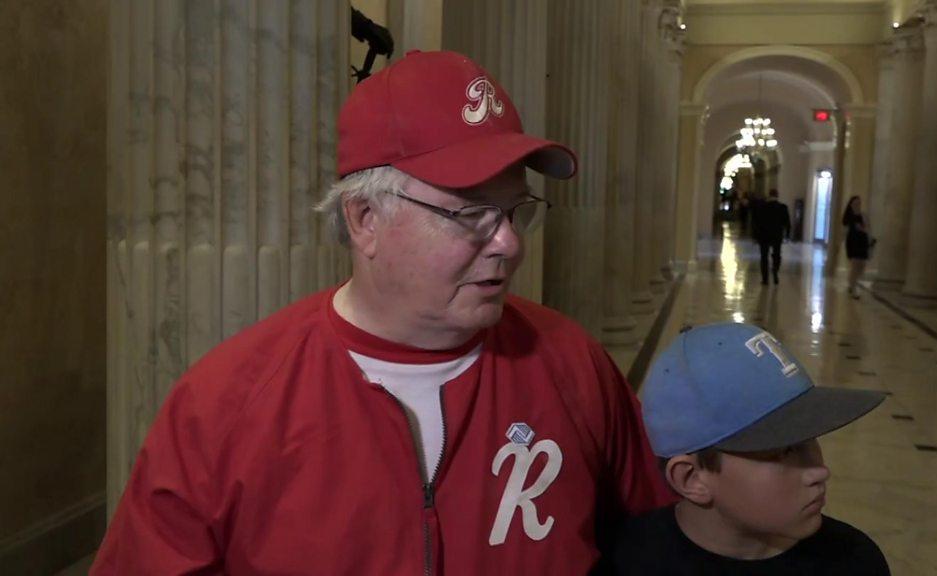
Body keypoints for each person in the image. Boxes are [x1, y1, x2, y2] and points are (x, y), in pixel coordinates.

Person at [91, 51, 671, 575]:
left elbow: (656, 544)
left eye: (515, 210)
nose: (509, 244)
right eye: (471, 213)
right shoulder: (224, 404)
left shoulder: (573, 364)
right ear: (364, 218)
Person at [613, 323, 891, 576]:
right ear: (692, 478)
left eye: (810, 439)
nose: (820, 471)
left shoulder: (854, 561)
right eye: (783, 451)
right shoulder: (625, 563)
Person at [751, 189, 790, 285]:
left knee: (764, 257)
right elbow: (787, 223)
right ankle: (775, 272)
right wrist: (787, 235)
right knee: (777, 255)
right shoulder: (783, 207)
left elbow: (757, 222)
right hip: (777, 235)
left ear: (769, 195)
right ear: (777, 195)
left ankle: (765, 279)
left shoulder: (762, 207)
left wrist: (755, 236)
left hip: (764, 235)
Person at [842, 196, 871, 299]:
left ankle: (852, 284)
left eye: (859, 203)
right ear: (851, 204)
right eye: (855, 203)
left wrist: (862, 229)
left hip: (862, 242)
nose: (857, 205)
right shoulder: (848, 217)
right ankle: (853, 289)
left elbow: (867, 228)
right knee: (854, 266)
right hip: (852, 242)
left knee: (861, 266)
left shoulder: (863, 215)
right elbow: (845, 231)